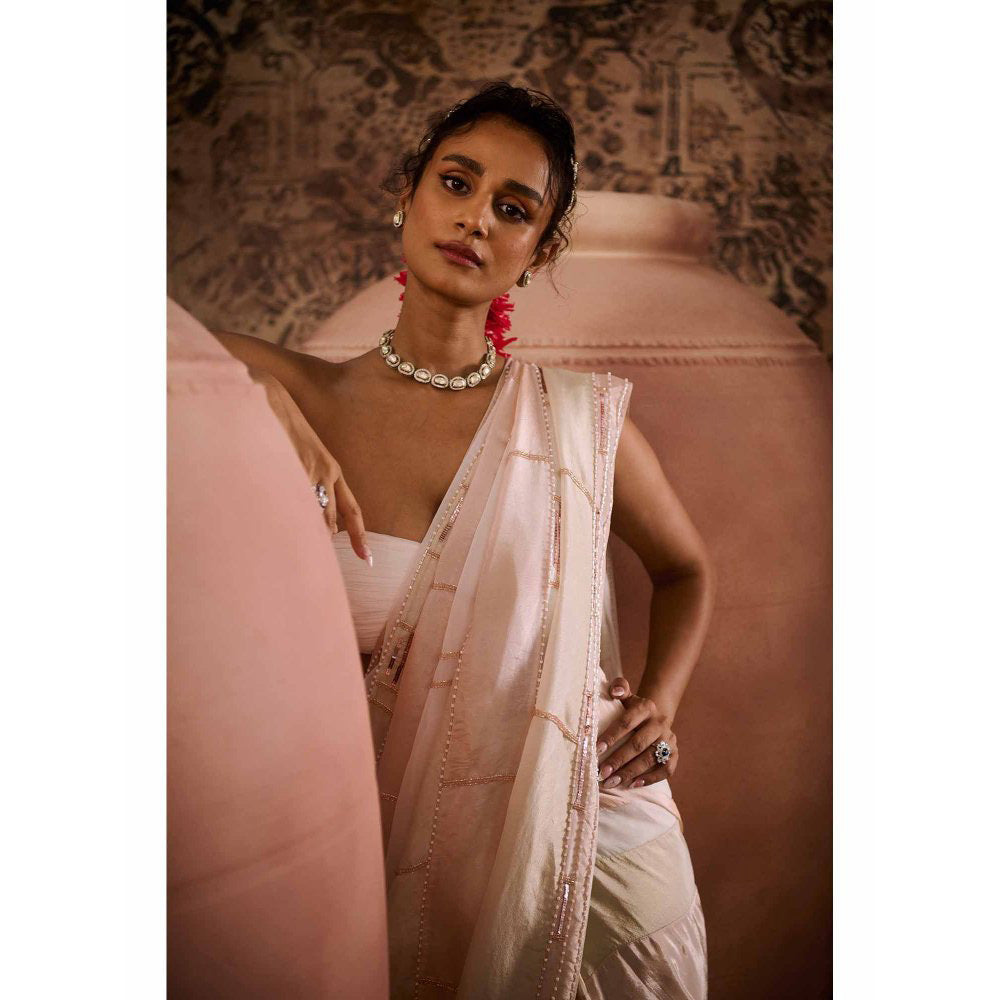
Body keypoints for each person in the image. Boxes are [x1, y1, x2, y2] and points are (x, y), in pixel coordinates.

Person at [214, 82, 716, 1000]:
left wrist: (662, 703)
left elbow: (685, 569)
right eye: (456, 183)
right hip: (387, 852)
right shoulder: (295, 389)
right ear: (406, 193)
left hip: (597, 851)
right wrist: (262, 395)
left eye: (513, 209)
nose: (476, 217)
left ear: (538, 250)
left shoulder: (575, 421)